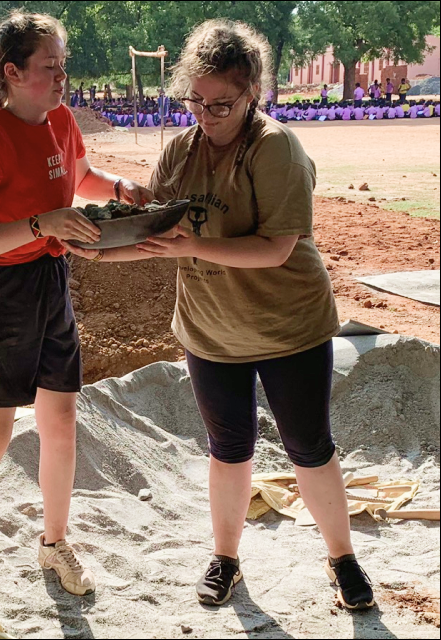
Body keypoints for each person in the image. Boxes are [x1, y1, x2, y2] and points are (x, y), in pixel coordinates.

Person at [66, 18, 375, 611]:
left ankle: (343, 558)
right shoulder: (182, 150)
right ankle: (226, 557)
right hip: (211, 330)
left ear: (252, 92)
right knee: (227, 449)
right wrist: (99, 252)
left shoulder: (275, 147)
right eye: (196, 101)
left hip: (289, 326)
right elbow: (157, 234)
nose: (205, 115)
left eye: (221, 105)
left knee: (309, 447)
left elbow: (277, 248)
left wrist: (192, 246)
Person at [0, 9, 153, 597]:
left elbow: (81, 177)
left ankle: (54, 544)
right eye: (49, 68)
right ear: (11, 72)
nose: (61, 78)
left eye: (63, 66)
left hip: (51, 279)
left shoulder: (61, 120)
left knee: (61, 422)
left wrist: (123, 188)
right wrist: (39, 223)